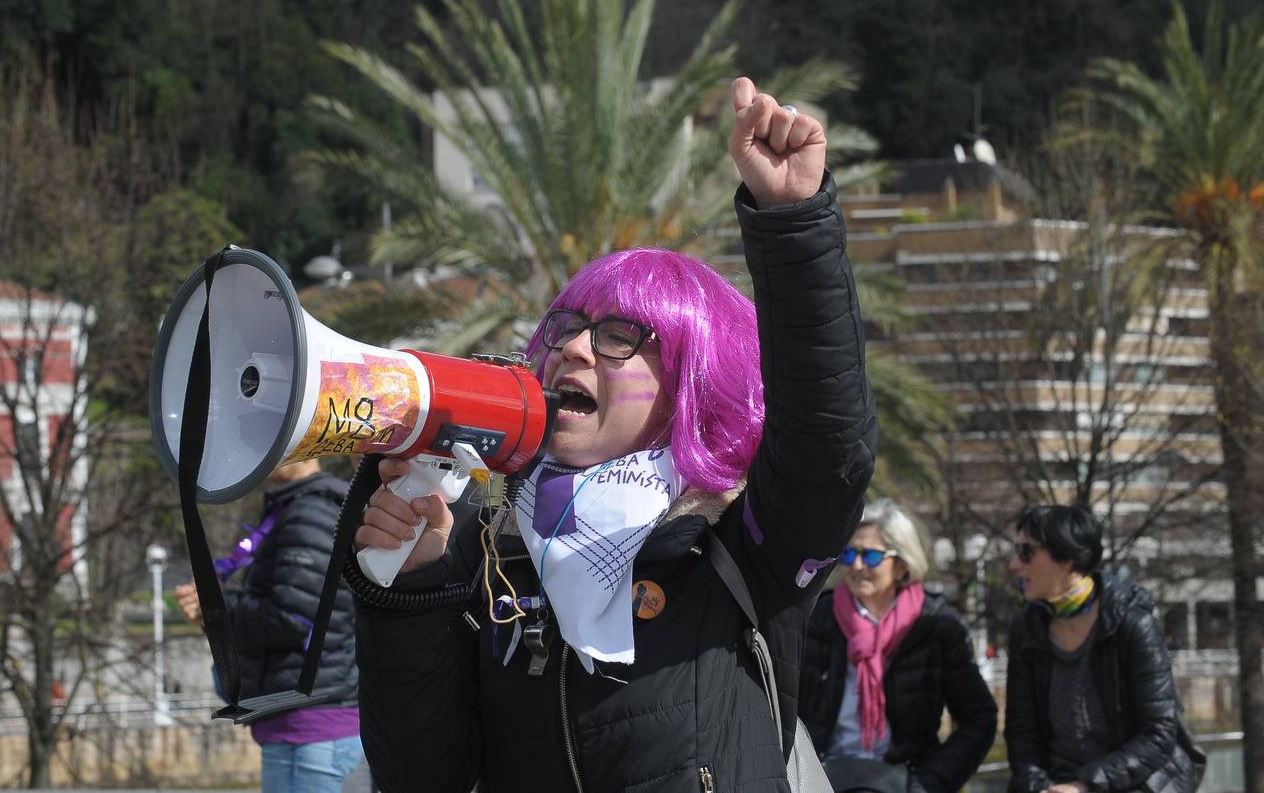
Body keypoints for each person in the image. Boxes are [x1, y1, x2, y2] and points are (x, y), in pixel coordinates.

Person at [351, 77, 879, 792]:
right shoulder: (486, 554)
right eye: (563, 329)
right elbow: (422, 779)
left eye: (620, 336)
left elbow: (830, 444)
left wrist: (792, 224)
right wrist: (412, 593)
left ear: (693, 385)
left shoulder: (742, 547)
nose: (571, 349)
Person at [175, 459, 368, 793]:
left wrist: (215, 611)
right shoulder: (302, 506)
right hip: (312, 730)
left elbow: (292, 618)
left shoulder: (310, 512)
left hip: (308, 733)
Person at [799, 499, 997, 793]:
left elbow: (979, 718)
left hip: (903, 781)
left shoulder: (936, 626)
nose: (856, 565)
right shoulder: (816, 619)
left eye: (872, 557)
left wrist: (926, 784)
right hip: (823, 779)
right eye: (850, 553)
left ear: (902, 565)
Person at [1004, 504, 1202, 793]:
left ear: (1067, 559)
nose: (1014, 564)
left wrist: (1084, 786)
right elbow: (1022, 733)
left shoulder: (1132, 622)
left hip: (1133, 781)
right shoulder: (1025, 627)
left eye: (1026, 552)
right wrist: (1040, 788)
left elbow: (1158, 734)